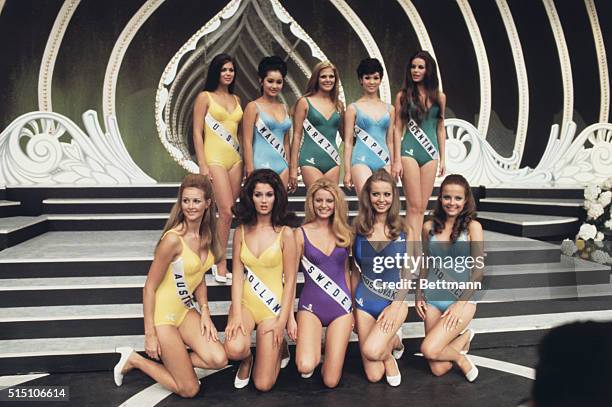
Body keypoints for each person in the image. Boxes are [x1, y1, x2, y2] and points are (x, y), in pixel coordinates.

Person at [113, 174, 227, 397]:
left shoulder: (209, 235)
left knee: (219, 358)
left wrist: (204, 311)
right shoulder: (173, 239)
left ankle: (178, 365)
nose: (190, 206)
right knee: (189, 389)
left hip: (185, 311)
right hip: (163, 318)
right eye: (185, 201)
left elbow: (199, 276)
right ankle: (135, 360)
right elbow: (149, 287)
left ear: (208, 203)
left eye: (196, 201)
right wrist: (150, 334)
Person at [224, 169, 297, 392]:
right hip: (246, 304)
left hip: (271, 309)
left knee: (263, 384)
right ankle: (247, 360)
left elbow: (291, 279)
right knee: (235, 349)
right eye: (258, 195)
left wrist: (283, 320)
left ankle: (280, 346)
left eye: (268, 194)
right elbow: (237, 275)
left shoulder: (285, 233)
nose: (263, 201)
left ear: (277, 197)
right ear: (250, 197)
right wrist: (236, 314)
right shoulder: (241, 231)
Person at [416, 174, 484, 382]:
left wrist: (459, 304)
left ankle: (462, 359)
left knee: (428, 348)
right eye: (447, 197)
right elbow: (425, 263)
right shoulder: (428, 227)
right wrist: (419, 294)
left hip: (461, 301)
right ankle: (463, 340)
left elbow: (478, 270)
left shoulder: (473, 228)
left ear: (465, 201)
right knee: (437, 368)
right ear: (440, 199)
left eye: (457, 198)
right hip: (433, 299)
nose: (451, 203)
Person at [352, 169, 410, 387]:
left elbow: (407, 271)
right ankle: (391, 343)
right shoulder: (358, 228)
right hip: (365, 303)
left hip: (393, 302)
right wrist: (353, 309)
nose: (381, 200)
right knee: (374, 375)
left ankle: (390, 344)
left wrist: (395, 306)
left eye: (386, 194)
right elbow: (355, 270)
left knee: (371, 350)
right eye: (376, 194)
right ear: (368, 196)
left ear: (393, 196)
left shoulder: (404, 229)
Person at [294, 178, 353, 387]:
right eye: (319, 200)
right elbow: (291, 280)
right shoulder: (300, 234)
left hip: (340, 307)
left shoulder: (345, 234)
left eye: (329, 201)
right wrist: (290, 320)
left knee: (330, 381)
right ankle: (314, 349)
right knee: (305, 365)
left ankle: (330, 352)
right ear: (312, 202)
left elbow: (346, 271)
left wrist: (352, 308)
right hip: (311, 307)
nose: (324, 205)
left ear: (336, 204)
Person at [193, 53, 243, 283]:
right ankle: (219, 262)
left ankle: (217, 254)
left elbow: (239, 132)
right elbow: (196, 132)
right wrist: (202, 163)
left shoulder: (237, 100)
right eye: (224, 69)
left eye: (231, 70)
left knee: (229, 213)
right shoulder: (205, 97)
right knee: (224, 210)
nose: (228, 73)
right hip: (214, 159)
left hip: (235, 160)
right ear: (216, 72)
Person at [394, 50, 446, 240]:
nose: (416, 71)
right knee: (414, 205)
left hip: (430, 154)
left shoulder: (439, 97)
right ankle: (410, 253)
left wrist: (443, 158)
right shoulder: (402, 96)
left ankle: (415, 250)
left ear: (428, 70)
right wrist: (396, 160)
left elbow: (440, 127)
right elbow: (397, 128)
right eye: (413, 67)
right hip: (409, 152)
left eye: (420, 67)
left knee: (422, 207)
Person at [289, 61, 344, 191]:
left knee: (331, 203)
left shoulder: (339, 105)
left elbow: (346, 136)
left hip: (332, 161)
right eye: (323, 76)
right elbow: (296, 136)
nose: (328, 80)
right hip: (309, 160)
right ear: (316, 79)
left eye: (331, 77)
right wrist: (293, 168)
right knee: (316, 199)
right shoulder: (304, 102)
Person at [343, 58, 394, 195]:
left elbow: (390, 141)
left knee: (383, 205)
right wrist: (347, 171)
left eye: (375, 78)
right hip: (361, 160)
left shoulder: (390, 109)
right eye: (367, 78)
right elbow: (348, 142)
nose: (372, 82)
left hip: (385, 160)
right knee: (366, 204)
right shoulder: (353, 108)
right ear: (361, 80)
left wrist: (394, 165)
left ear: (380, 79)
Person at [242, 56, 292, 189]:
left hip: (283, 167)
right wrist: (250, 168)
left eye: (279, 82)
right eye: (270, 81)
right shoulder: (253, 107)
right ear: (261, 81)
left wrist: (290, 166)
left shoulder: (285, 108)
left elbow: (286, 142)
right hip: (260, 166)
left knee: (280, 208)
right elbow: (246, 141)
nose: (274, 86)